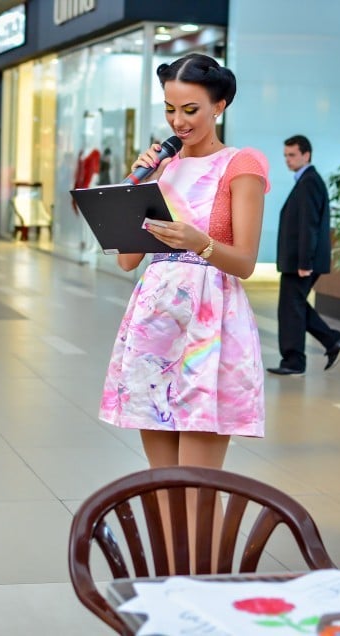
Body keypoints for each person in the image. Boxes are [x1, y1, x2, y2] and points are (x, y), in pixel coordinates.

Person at [99, 53, 269, 475]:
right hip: (155, 321)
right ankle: (170, 545)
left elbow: (246, 262)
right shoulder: (163, 168)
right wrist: (135, 181)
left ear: (219, 105)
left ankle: (199, 545)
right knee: (163, 480)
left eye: (190, 110)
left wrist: (201, 243)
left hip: (209, 327)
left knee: (197, 483)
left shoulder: (241, 164)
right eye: (170, 109)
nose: (178, 121)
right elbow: (127, 259)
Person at [267, 135, 340, 376]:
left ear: (306, 155)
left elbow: (309, 225)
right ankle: (330, 341)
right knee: (294, 305)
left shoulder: (309, 182)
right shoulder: (306, 181)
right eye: (285, 155)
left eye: (292, 155)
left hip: (301, 262)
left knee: (292, 307)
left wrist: (304, 262)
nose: (287, 160)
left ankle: (295, 360)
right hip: (299, 261)